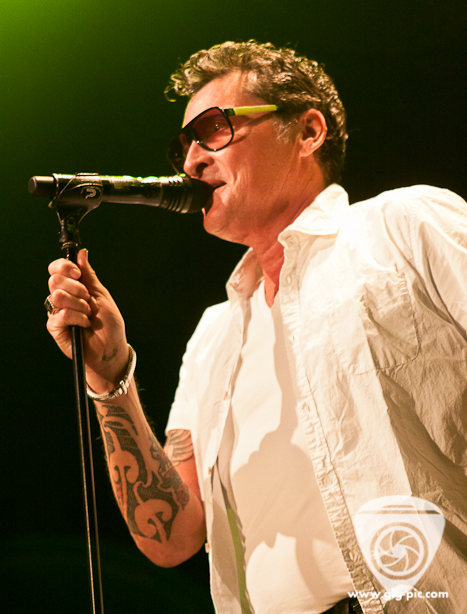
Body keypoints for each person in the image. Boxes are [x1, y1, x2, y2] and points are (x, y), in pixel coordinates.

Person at [45, 41, 467, 614]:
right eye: (184, 146)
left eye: (213, 129)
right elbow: (171, 536)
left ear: (308, 131)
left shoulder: (404, 227)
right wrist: (109, 376)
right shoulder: (213, 337)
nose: (191, 162)